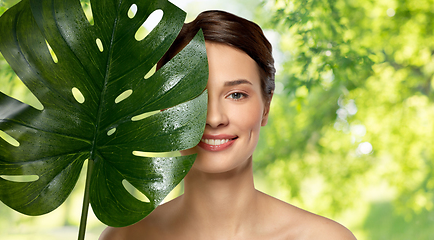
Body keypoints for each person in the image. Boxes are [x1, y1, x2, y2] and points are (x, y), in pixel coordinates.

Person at [100, 10, 357, 240]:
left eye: (236, 95)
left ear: (266, 106)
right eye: (192, 94)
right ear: (164, 107)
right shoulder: (124, 237)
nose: (214, 118)